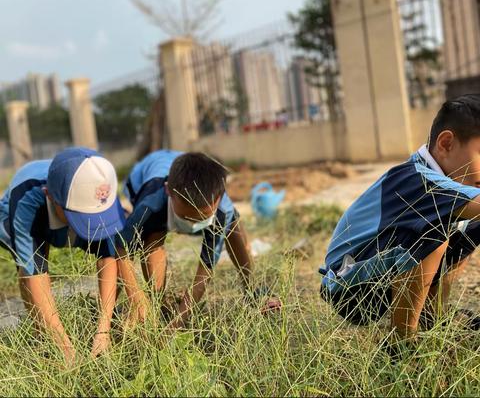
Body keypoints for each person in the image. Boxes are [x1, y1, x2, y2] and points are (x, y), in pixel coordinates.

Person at [319, 94, 480, 348]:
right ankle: (400, 343)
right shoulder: (419, 180)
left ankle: (430, 316)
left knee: (471, 225)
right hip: (351, 289)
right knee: (432, 231)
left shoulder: (444, 183)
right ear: (446, 143)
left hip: (381, 275)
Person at [116, 150, 281, 328]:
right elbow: (120, 247)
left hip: (192, 181)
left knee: (233, 228)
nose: (193, 225)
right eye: (186, 217)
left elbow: (205, 271)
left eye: (202, 217)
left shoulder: (222, 210)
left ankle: (253, 289)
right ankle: (159, 303)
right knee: (152, 238)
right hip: (146, 175)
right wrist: (136, 297)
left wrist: (179, 320)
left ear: (219, 198)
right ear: (168, 192)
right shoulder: (151, 203)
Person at [0, 147, 127, 363]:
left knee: (110, 248)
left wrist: (103, 331)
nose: (91, 224)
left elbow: (108, 257)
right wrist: (66, 349)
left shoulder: (100, 190)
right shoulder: (27, 198)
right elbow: (34, 275)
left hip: (67, 211)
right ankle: (43, 336)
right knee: (28, 266)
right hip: (21, 215)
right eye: (82, 216)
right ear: (50, 196)